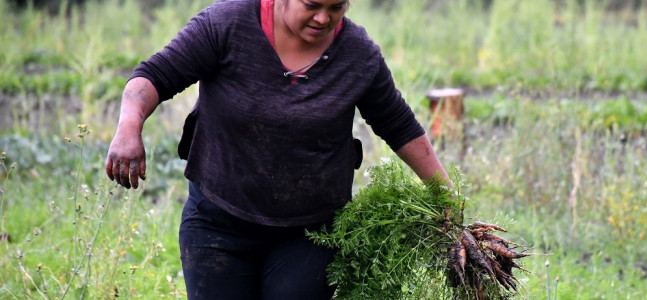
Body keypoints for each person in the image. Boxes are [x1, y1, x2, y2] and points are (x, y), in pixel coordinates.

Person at [105, 0, 450, 299]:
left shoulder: (358, 55)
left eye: (336, 7)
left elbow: (399, 126)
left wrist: (448, 198)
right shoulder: (227, 24)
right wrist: (128, 127)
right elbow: (154, 76)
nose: (323, 18)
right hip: (217, 223)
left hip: (310, 234)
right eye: (312, 5)